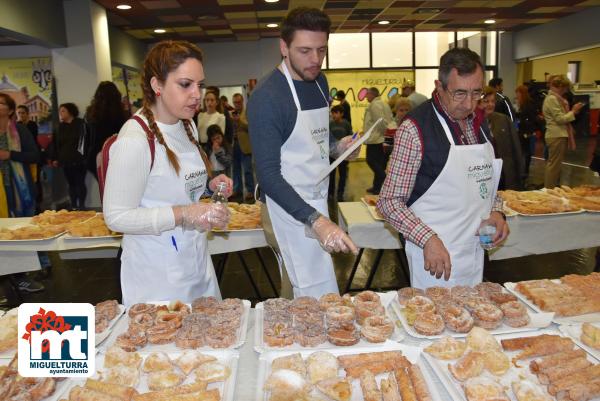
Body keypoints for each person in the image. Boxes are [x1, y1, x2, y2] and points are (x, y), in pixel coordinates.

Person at [103, 40, 232, 306]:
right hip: (156, 274)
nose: (196, 94)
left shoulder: (187, 126)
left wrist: (208, 186)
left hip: (194, 260)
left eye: (200, 84)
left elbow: (172, 185)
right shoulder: (135, 140)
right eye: (186, 84)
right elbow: (117, 217)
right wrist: (184, 213)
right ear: (157, 85)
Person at [247, 7, 358, 298]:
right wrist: (316, 220)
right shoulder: (268, 98)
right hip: (287, 208)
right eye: (305, 51)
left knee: (316, 285)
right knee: (302, 287)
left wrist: (338, 148)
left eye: (321, 50)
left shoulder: (319, 82)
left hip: (317, 199)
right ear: (284, 47)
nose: (314, 61)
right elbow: (269, 176)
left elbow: (317, 138)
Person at [378, 47, 509, 289]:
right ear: (440, 86)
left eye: (476, 93)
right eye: (459, 93)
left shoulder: (479, 124)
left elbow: (486, 184)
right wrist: (427, 239)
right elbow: (389, 202)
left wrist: (497, 211)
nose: (469, 103)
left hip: (474, 251)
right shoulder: (415, 129)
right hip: (434, 257)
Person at [0, 93, 45, 293]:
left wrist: (10, 155)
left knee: (18, 230)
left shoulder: (20, 130)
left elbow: (35, 155)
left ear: (10, 110)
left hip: (18, 190)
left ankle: (21, 277)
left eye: (1, 103)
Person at [542, 75, 585, 189]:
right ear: (560, 86)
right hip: (556, 135)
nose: (566, 91)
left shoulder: (555, 98)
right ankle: (549, 190)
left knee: (554, 165)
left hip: (557, 135)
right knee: (554, 166)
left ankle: (550, 188)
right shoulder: (552, 99)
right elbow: (560, 119)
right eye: (565, 88)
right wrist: (573, 112)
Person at [479, 87, 525, 190]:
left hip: (505, 175)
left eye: (492, 101)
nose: (490, 104)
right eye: (486, 101)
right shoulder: (472, 123)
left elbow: (516, 147)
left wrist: (520, 172)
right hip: (484, 176)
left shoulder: (504, 120)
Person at [85, 81, 129, 176]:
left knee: (103, 185)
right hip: (116, 153)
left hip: (96, 155)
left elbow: (87, 135)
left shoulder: (91, 113)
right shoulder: (121, 112)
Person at [50, 103, 88, 210]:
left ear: (70, 112)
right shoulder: (59, 127)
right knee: (71, 184)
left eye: (63, 111)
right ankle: (74, 205)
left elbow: (87, 141)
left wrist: (86, 156)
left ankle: (81, 205)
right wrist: (55, 158)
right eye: (60, 111)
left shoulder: (81, 123)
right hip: (65, 160)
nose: (60, 113)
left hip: (80, 160)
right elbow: (55, 144)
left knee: (80, 182)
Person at [363, 87, 393, 195]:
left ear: (372, 94)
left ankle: (384, 178)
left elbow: (380, 122)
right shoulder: (384, 103)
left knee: (370, 160)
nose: (366, 96)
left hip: (376, 139)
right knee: (380, 164)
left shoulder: (374, 105)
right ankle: (377, 187)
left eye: (367, 94)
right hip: (382, 138)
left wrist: (383, 133)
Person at [231, 93, 255, 202]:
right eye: (235, 102)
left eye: (239, 102)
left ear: (242, 102)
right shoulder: (230, 114)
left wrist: (239, 120)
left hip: (245, 145)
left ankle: (250, 191)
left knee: (247, 170)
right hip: (233, 144)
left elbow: (251, 127)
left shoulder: (247, 112)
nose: (237, 104)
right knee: (235, 170)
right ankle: (237, 189)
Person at [515, 84, 540, 176]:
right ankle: (524, 170)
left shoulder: (528, 104)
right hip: (524, 131)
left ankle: (525, 171)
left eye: (517, 93)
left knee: (526, 152)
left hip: (527, 132)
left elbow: (530, 118)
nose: (516, 95)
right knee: (525, 151)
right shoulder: (523, 104)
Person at [328, 104, 352, 201]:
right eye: (332, 113)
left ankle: (340, 193)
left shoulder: (346, 124)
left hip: (343, 154)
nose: (334, 115)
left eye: (336, 113)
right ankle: (330, 193)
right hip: (332, 154)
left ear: (341, 114)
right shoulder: (330, 124)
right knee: (331, 174)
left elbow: (350, 136)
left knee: (342, 174)